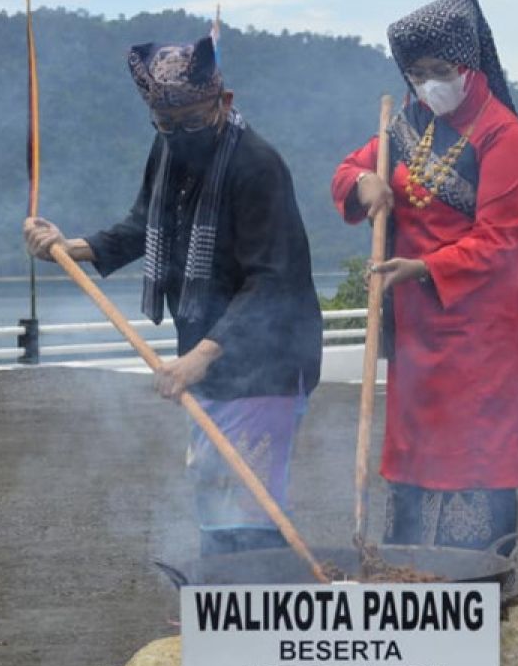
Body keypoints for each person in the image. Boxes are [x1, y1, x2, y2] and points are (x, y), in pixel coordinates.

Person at [25, 31, 323, 557]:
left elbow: (271, 280)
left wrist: (199, 358)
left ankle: (254, 608)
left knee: (247, 504)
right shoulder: (169, 150)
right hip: (208, 355)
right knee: (216, 493)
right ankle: (228, 605)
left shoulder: (257, 164)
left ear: (223, 102)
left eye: (191, 120)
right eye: (166, 123)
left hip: (266, 362)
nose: (180, 133)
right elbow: (146, 222)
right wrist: (69, 247)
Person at [331, 0, 518, 555]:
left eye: (440, 72)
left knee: (472, 454)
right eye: (417, 74)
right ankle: (406, 579)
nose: (429, 85)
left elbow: (500, 239)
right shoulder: (409, 125)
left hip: (478, 336)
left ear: (470, 66)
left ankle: (477, 583)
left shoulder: (506, 139)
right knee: (414, 455)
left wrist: (425, 266)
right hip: (416, 332)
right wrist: (362, 183)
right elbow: (348, 168)